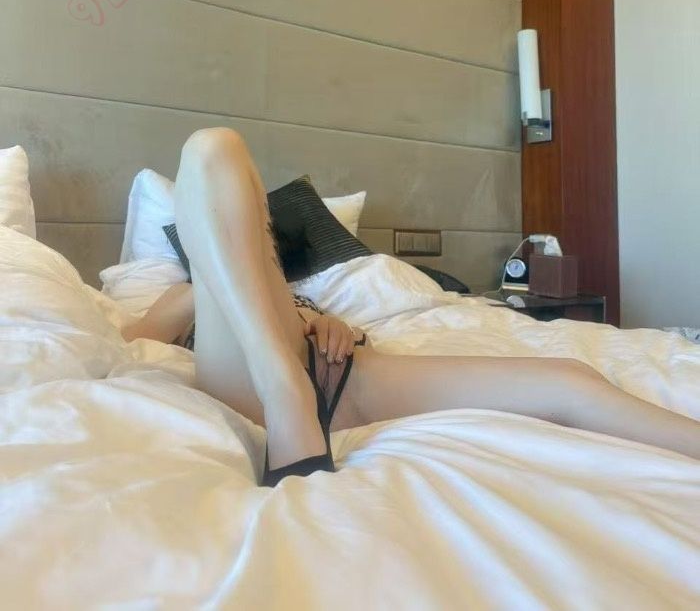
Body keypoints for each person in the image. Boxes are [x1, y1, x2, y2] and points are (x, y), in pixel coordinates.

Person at [122, 128, 700, 484]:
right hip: (257, 383)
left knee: (570, 378)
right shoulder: (187, 292)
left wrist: (322, 320)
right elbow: (132, 341)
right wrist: (209, 286)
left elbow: (288, 300)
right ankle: (284, 388)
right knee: (212, 146)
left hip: (346, 375)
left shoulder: (306, 297)